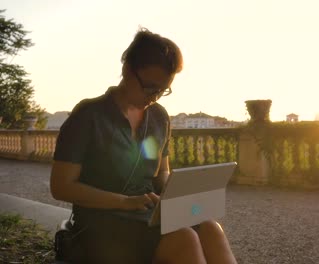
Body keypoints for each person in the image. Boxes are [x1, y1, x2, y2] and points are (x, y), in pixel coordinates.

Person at [50, 28, 237, 264]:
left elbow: (161, 174)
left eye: (163, 91)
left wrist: (180, 194)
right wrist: (125, 202)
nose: (155, 97)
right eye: (150, 88)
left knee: (211, 228)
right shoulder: (89, 115)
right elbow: (61, 187)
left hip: (146, 213)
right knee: (185, 239)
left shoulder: (159, 117)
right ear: (128, 69)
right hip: (100, 219)